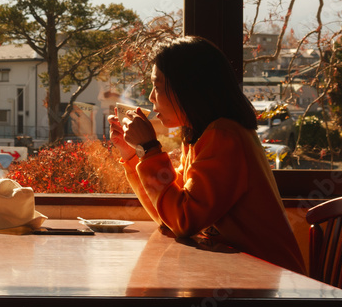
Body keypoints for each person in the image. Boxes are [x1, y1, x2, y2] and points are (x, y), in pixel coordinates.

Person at [108, 35, 306, 274]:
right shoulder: (200, 137)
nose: (150, 97)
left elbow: (184, 221)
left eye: (157, 86)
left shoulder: (224, 137)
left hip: (267, 284)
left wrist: (150, 149)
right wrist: (134, 154)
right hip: (240, 277)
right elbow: (170, 218)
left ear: (188, 89)